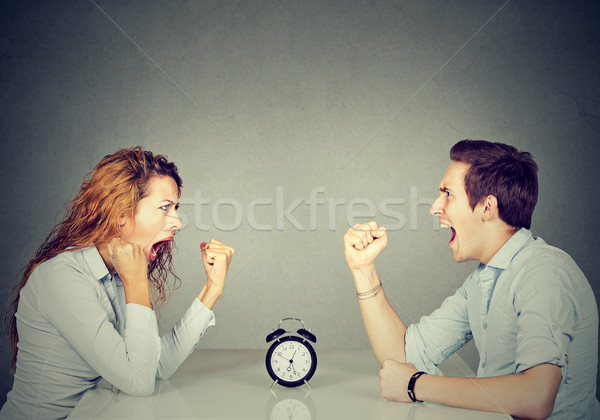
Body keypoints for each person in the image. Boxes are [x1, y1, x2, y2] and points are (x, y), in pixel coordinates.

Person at [344, 140, 599, 419]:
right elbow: (405, 358)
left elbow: (536, 397)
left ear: (487, 207)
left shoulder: (543, 272)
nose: (435, 207)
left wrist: (416, 385)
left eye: (448, 194)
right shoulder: (484, 280)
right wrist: (363, 269)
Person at [1, 147, 234, 420]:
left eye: (176, 208)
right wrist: (135, 280)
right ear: (121, 214)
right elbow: (139, 383)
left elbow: (152, 367)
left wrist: (212, 289)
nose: (178, 222)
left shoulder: (115, 275)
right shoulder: (62, 278)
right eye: (164, 208)